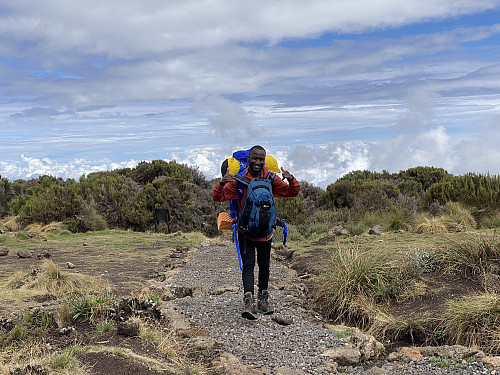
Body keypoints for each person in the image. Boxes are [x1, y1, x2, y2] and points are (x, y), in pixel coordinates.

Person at [212, 145, 300, 319]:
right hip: (247, 232)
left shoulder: (271, 178)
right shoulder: (238, 181)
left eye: (261, 159)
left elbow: (292, 191)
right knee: (249, 266)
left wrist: (291, 179)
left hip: (265, 231)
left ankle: (262, 298)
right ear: (249, 159)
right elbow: (217, 197)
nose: (258, 162)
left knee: (265, 265)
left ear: (264, 160)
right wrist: (222, 183)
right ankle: (250, 301)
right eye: (255, 158)